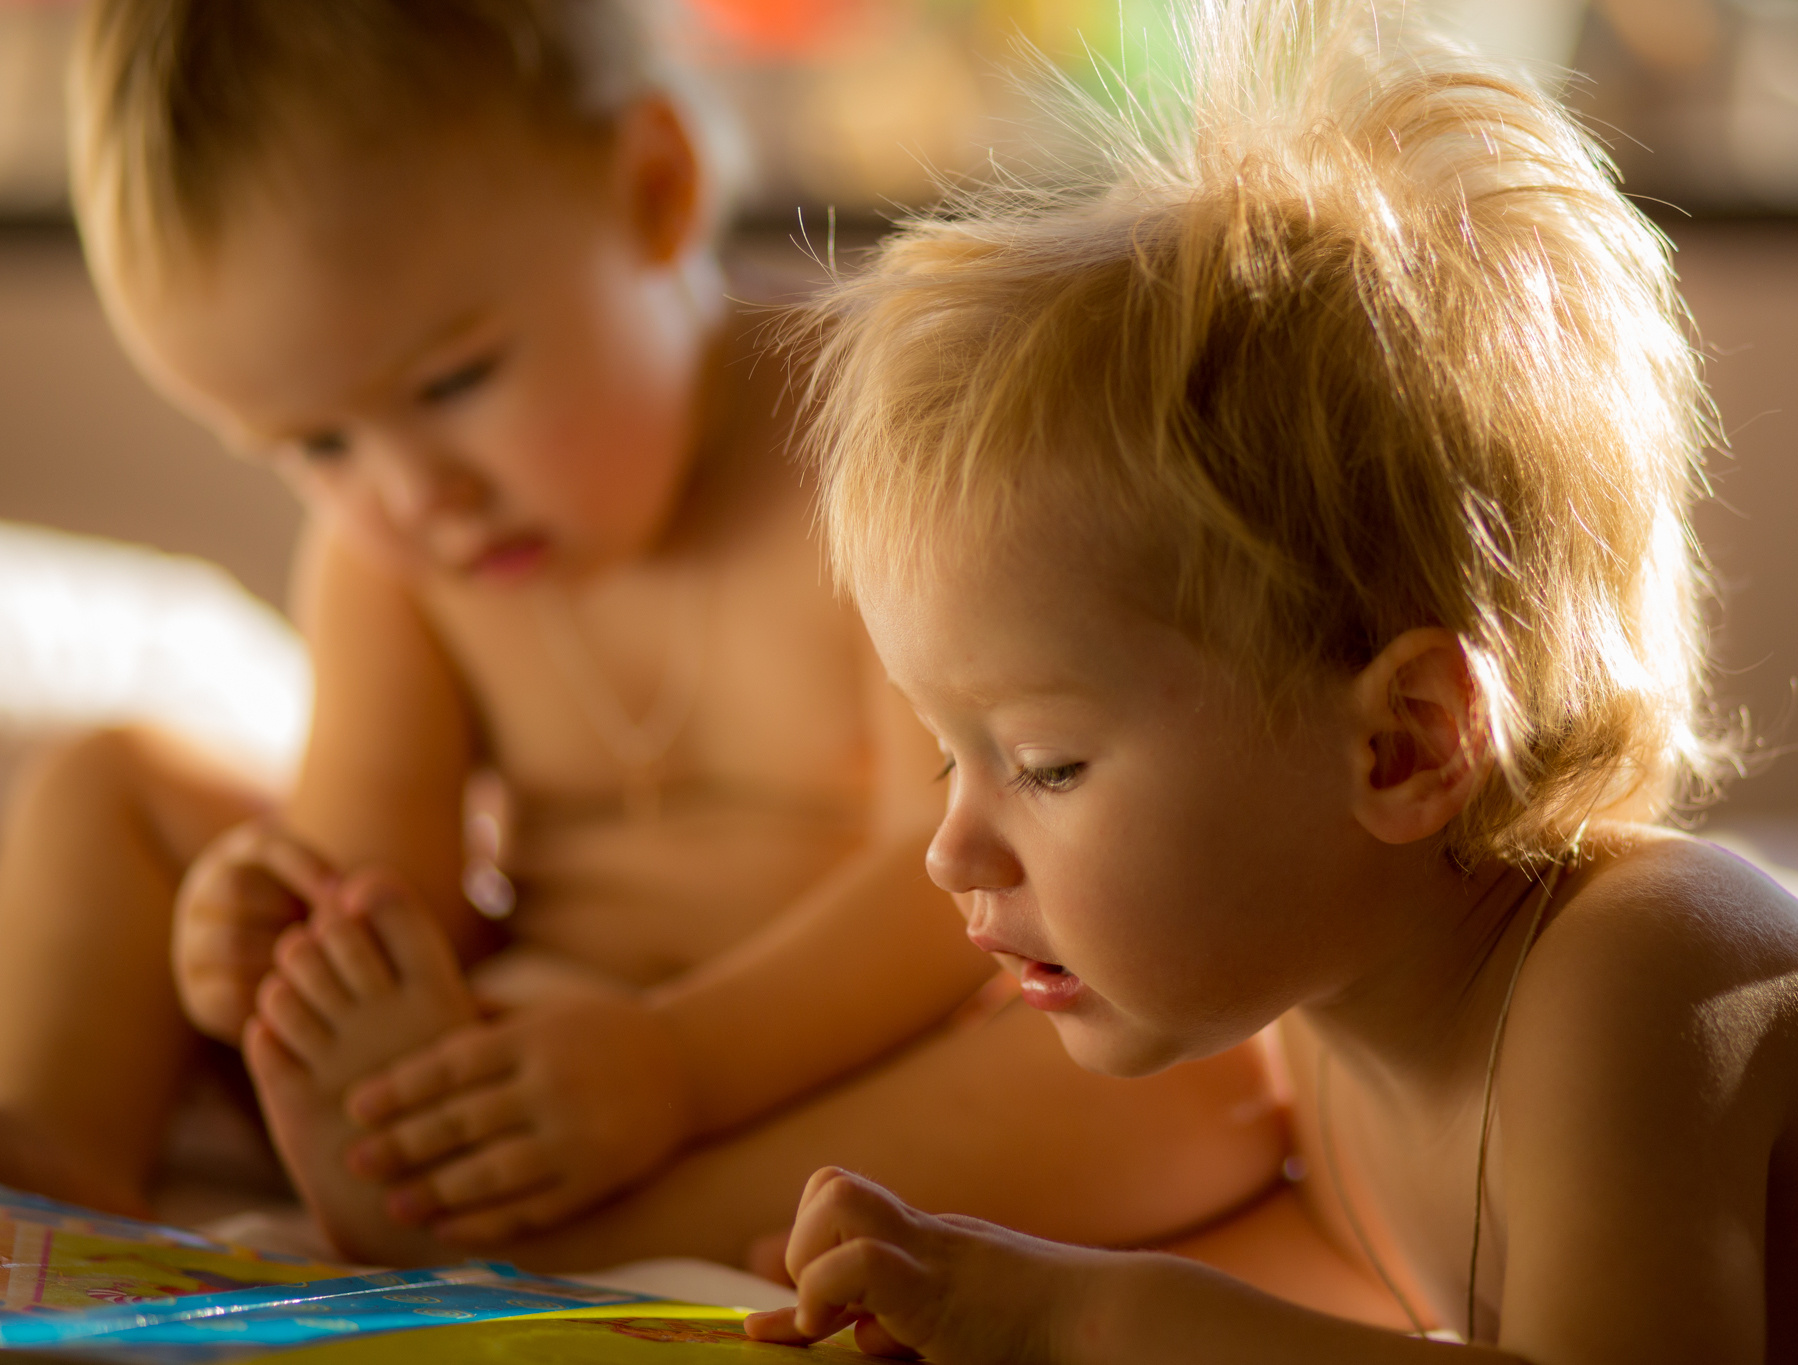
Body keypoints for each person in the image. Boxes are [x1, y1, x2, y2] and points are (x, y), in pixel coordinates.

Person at [736, 1, 1798, 1358]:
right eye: (953, 754)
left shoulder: (1638, 987)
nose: (951, 851)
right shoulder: (1325, 1012)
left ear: (1406, 746)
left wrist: (1092, 1318)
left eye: (1048, 763)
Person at [0, 0, 1286, 1270]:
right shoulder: (391, 561)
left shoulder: (874, 459)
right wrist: (278, 956)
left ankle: (615, 1231)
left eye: (453, 382)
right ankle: (51, 1180)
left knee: (1199, 1080)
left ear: (654, 192)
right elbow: (390, 898)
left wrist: (674, 1067)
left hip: (850, 1041)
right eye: (317, 446)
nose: (409, 493)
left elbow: (950, 867)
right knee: (110, 786)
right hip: (545, 1047)